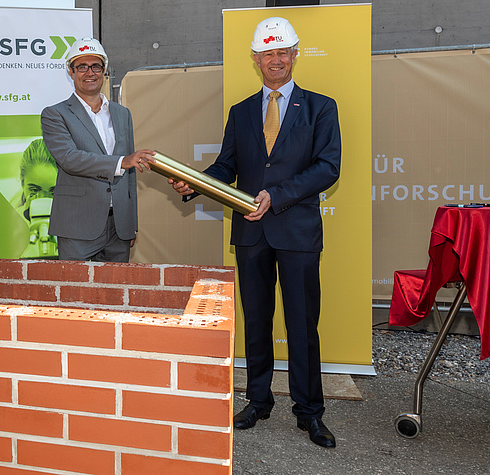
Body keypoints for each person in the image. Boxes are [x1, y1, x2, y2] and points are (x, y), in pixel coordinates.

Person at [171, 17, 341, 448]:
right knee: (257, 321)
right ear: (256, 58)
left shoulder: (321, 107)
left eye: (283, 52)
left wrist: (275, 195)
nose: (276, 60)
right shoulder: (241, 111)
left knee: (303, 324)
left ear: (294, 55)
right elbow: (228, 166)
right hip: (250, 234)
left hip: (297, 231)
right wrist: (197, 181)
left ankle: (309, 412)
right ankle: (259, 400)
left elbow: (327, 167)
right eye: (268, 53)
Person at [40, 37, 155, 262]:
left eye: (96, 66)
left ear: (104, 72)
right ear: (71, 72)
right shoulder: (54, 114)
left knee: (115, 293)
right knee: (75, 292)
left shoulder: (123, 113)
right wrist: (121, 162)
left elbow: (130, 177)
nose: (89, 73)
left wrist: (131, 224)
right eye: (81, 67)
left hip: (119, 227)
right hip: (77, 227)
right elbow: (69, 158)